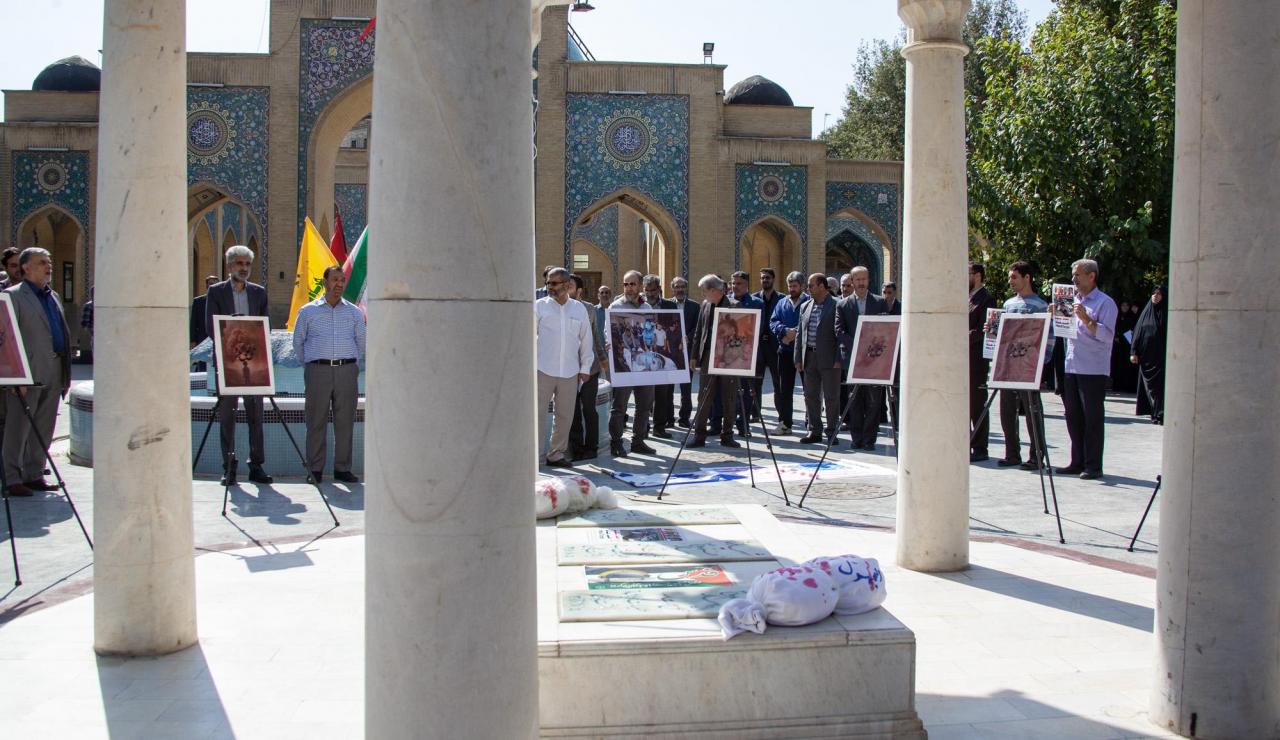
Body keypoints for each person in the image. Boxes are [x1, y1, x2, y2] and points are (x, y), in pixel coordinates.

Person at [2, 248, 72, 498]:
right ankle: (12, 477)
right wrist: (14, 376)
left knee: (44, 425)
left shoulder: (53, 296)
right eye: (42, 262)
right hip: (27, 373)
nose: (48, 266)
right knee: (18, 426)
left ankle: (34, 473)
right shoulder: (12, 296)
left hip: (54, 368)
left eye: (49, 261)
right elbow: (7, 338)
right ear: (26, 268)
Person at [206, 245, 272, 486]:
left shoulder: (258, 293)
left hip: (253, 364)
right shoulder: (216, 292)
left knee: (256, 416)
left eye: (247, 264)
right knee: (228, 417)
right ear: (229, 265)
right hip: (228, 364)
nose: (244, 268)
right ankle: (229, 467)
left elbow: (264, 326)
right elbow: (211, 328)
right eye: (239, 264)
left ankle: (256, 466)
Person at [293, 265, 366, 483]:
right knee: (316, 421)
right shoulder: (308, 312)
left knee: (345, 422)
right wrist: (312, 365)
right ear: (325, 282)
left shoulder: (354, 312)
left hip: (346, 371)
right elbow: (298, 343)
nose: (339, 284)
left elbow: (361, 343)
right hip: (318, 371)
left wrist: (351, 365)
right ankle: (315, 469)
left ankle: (342, 468)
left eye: (342, 280)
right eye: (335, 279)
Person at [1057, 258, 1118, 480]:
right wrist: (1055, 315)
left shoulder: (1105, 303)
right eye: (1073, 275)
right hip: (1071, 365)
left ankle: (1093, 466)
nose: (1073, 279)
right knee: (1073, 417)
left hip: (1093, 369)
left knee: (1092, 418)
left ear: (1091, 276)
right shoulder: (1070, 300)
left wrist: (1086, 319)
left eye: (1078, 275)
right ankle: (1077, 461)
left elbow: (1108, 336)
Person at [995, 261, 1051, 470]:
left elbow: (1049, 335)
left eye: (1014, 277)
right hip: (1009, 365)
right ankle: (1012, 453)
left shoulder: (1040, 305)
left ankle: (1037, 456)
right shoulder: (1008, 304)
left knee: (1032, 411)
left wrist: (1043, 360)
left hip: (1029, 366)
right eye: (1010, 277)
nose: (1011, 281)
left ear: (1027, 278)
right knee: (1007, 410)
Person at [535, 267, 593, 467]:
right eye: (548, 283)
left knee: (565, 415)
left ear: (567, 285)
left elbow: (586, 339)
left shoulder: (579, 309)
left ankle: (556, 454)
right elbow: (528, 337)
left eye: (553, 283)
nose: (548, 287)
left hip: (570, 370)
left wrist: (585, 367)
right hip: (542, 369)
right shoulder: (539, 307)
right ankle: (535, 456)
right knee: (537, 414)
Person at [835, 266, 887, 449]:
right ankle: (856, 438)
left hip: (874, 360)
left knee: (874, 400)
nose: (861, 282)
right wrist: (858, 345)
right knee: (855, 399)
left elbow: (884, 329)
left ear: (868, 280)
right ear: (852, 281)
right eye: (858, 279)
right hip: (853, 359)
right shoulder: (843, 305)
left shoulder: (880, 302)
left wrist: (870, 346)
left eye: (864, 279)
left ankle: (869, 439)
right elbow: (839, 330)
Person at [608, 270, 656, 457]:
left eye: (632, 284)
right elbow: (609, 333)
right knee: (620, 406)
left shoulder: (647, 308)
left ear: (640, 286)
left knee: (644, 405)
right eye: (625, 284)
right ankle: (616, 443)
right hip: (624, 363)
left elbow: (650, 333)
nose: (628, 288)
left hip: (644, 363)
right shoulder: (616, 306)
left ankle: (638, 441)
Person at [689, 274, 740, 449]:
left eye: (704, 291)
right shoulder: (705, 305)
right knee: (704, 397)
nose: (703, 294)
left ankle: (727, 435)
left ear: (713, 290)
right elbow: (699, 331)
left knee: (729, 397)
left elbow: (740, 332)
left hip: (728, 358)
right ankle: (699, 436)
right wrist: (694, 356)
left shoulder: (734, 306)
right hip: (708, 356)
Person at [796, 273, 841, 444]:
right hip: (809, 357)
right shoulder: (805, 306)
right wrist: (798, 357)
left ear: (822, 286)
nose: (808, 289)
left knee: (831, 397)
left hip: (830, 358)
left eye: (811, 285)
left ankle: (832, 432)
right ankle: (814, 430)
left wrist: (839, 358)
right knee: (811, 396)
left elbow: (841, 334)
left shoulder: (837, 305)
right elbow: (800, 333)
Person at [568, 273, 608, 460]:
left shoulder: (589, 309)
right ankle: (576, 449)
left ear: (579, 291)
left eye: (569, 286)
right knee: (573, 410)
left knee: (589, 409)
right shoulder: (558, 308)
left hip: (590, 369)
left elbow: (595, 336)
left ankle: (591, 447)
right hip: (568, 369)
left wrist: (603, 358)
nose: (565, 289)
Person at [769, 271, 809, 435]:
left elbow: (811, 322)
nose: (792, 289)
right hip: (785, 351)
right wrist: (784, 331)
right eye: (790, 286)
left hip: (805, 353)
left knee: (809, 389)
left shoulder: (809, 302)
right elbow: (773, 322)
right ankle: (785, 423)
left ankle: (811, 423)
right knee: (784, 389)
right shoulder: (782, 303)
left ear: (802, 286)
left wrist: (795, 333)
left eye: (795, 286)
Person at [725, 271, 764, 436]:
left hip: (747, 354)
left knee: (747, 391)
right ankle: (727, 424)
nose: (735, 286)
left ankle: (744, 424)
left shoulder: (757, 303)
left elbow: (759, 328)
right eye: (733, 283)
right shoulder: (725, 301)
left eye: (739, 283)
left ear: (747, 284)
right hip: (727, 354)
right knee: (728, 390)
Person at [968, 263, 998, 461]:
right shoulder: (966, 297)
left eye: (967, 274)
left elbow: (984, 331)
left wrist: (959, 336)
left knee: (977, 403)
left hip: (976, 360)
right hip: (962, 359)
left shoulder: (986, 299)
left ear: (977, 276)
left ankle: (980, 447)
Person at [642, 274, 677, 438]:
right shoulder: (638, 305)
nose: (650, 294)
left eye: (653, 290)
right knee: (644, 394)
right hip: (644, 353)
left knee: (662, 393)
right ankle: (643, 427)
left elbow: (676, 326)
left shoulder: (670, 306)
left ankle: (659, 427)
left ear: (659, 289)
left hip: (662, 353)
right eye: (647, 290)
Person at [1130, 285, 1167, 425]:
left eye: (1159, 294)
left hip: (1160, 359)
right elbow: (1137, 333)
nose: (1155, 296)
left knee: (1159, 388)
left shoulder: (1166, 315)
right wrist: (1134, 352)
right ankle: (1153, 412)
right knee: (1149, 389)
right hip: (1146, 359)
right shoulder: (1146, 313)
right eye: (1154, 293)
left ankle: (1160, 414)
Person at [752, 268, 784, 424]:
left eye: (768, 278)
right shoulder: (754, 299)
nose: (765, 280)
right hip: (758, 346)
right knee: (755, 381)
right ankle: (755, 413)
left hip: (775, 346)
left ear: (773, 279)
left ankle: (782, 414)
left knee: (778, 382)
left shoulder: (782, 299)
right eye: (763, 278)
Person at [671, 276, 700, 427]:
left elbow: (698, 326)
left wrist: (687, 337)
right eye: (677, 287)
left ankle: (684, 418)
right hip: (670, 351)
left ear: (686, 288)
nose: (680, 289)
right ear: (672, 289)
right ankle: (668, 417)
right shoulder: (667, 305)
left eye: (682, 287)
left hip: (687, 352)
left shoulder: (695, 306)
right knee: (667, 387)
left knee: (686, 387)